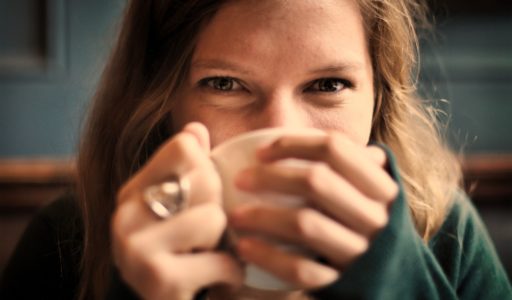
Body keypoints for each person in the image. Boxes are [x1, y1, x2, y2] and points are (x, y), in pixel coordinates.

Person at [1, 0, 511, 299]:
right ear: (162, 102)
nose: (281, 132)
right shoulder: (67, 240)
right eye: (224, 84)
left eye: (329, 85)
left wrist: (395, 282)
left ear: (379, 99)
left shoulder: (445, 233)